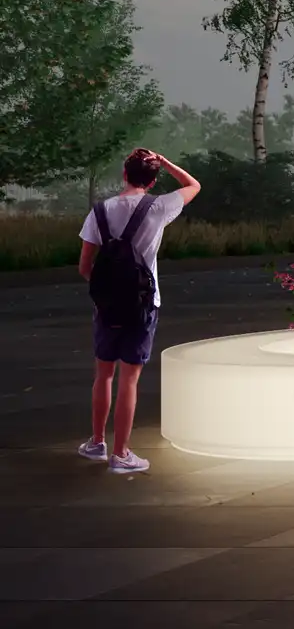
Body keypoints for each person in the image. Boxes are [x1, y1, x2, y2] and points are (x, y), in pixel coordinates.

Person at [77, 148, 202, 473]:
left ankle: (96, 443)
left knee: (103, 374)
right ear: (153, 178)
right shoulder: (159, 207)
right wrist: (166, 160)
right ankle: (121, 455)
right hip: (144, 304)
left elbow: (84, 267)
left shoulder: (100, 212)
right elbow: (193, 186)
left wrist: (108, 291)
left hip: (106, 307)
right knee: (129, 380)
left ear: (124, 174)